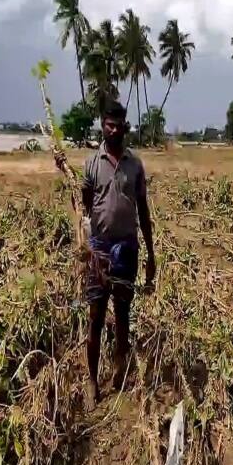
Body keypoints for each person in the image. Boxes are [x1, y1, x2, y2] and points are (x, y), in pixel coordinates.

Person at [82, 100, 155, 404]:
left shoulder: (134, 164)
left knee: (123, 314)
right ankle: (91, 380)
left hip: (127, 247)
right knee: (96, 316)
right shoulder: (91, 163)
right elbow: (85, 203)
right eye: (108, 124)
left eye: (118, 125)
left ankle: (119, 368)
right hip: (99, 248)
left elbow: (143, 208)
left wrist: (151, 253)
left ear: (125, 126)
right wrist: (86, 238)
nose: (113, 130)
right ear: (102, 125)